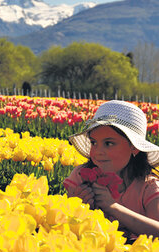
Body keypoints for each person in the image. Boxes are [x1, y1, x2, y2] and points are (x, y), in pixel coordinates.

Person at [63, 100, 159, 242]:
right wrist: (77, 206)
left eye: (109, 143)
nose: (98, 152)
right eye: (94, 142)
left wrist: (113, 207)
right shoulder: (81, 177)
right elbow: (62, 225)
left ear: (134, 147)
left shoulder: (148, 186)